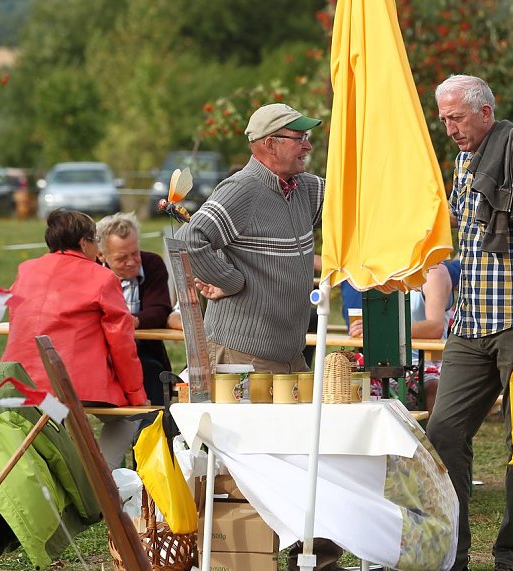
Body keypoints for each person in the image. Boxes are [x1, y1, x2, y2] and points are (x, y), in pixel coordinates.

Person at [176, 103, 340, 571]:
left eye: (308, 137)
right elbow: (192, 240)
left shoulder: (308, 189)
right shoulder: (242, 189)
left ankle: (315, 559)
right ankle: (240, 557)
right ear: (269, 145)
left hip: (290, 352)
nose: (308, 145)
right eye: (298, 138)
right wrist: (229, 281)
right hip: (241, 352)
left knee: (311, 456)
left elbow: (354, 200)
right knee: (247, 466)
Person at [425, 74, 513, 571]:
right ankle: (455, 553)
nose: (450, 129)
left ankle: (511, 557)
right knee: (442, 433)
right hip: (470, 322)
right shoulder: (463, 161)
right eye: (444, 119)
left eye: (456, 118)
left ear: (486, 112)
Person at [1, 209, 148, 469]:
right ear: (84, 242)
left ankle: (76, 477)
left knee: (59, 417)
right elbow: (122, 343)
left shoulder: (26, 270)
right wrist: (136, 394)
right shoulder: (102, 278)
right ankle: (103, 481)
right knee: (130, 416)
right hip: (74, 386)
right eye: (95, 240)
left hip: (19, 382)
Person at [345, 261, 454, 415]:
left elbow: (435, 327)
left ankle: (435, 438)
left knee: (433, 386)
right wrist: (366, 327)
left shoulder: (434, 271)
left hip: (427, 362)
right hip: (385, 362)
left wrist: (382, 329)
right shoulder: (386, 269)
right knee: (345, 376)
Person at [96, 212, 173, 406]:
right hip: (98, 351)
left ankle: (154, 429)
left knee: (153, 371)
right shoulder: (91, 271)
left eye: (135, 253)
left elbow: (160, 310)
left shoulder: (152, 264)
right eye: (121, 258)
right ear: (101, 255)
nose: (131, 262)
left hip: (142, 350)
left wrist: (133, 321)